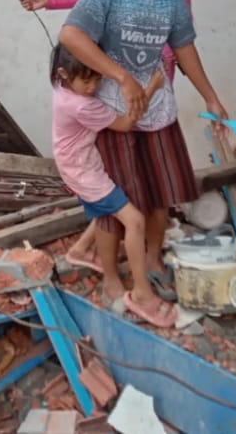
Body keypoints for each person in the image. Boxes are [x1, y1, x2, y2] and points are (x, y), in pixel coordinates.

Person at [20, 0, 196, 274]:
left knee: (156, 174)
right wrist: (49, 1)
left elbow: (179, 3)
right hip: (113, 77)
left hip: (155, 71)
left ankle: (147, 257)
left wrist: (173, 61)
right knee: (120, 172)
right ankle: (109, 253)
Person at [59, 0, 233, 303]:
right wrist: (121, 76)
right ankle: (111, 278)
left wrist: (211, 96)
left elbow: (183, 46)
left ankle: (153, 262)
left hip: (156, 110)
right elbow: (71, 36)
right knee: (115, 203)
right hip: (114, 113)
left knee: (159, 194)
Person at [49, 44, 175, 326]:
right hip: (84, 172)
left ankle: (80, 250)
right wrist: (153, 85)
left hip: (74, 163)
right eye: (87, 80)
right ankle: (141, 293)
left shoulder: (62, 89)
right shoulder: (82, 104)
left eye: (97, 78)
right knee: (135, 220)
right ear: (64, 73)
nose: (93, 86)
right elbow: (126, 123)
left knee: (106, 206)